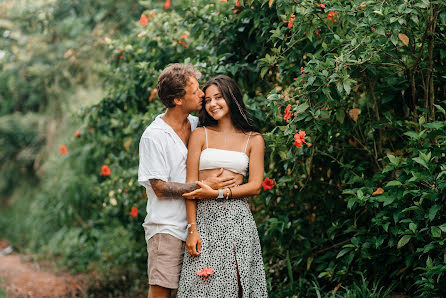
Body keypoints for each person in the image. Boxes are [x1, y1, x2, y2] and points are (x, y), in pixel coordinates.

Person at [138, 64, 237, 298]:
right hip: (167, 228)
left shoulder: (197, 125)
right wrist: (204, 188)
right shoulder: (154, 136)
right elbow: (159, 188)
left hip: (201, 226)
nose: (202, 95)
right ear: (177, 100)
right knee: (162, 292)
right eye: (195, 92)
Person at [177, 75, 268, 297]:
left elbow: (255, 185)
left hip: (238, 221)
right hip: (204, 221)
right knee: (202, 287)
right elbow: (190, 186)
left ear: (231, 97)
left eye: (218, 97)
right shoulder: (200, 135)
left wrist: (218, 192)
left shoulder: (253, 139)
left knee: (238, 286)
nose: (212, 104)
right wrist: (192, 229)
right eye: (207, 100)